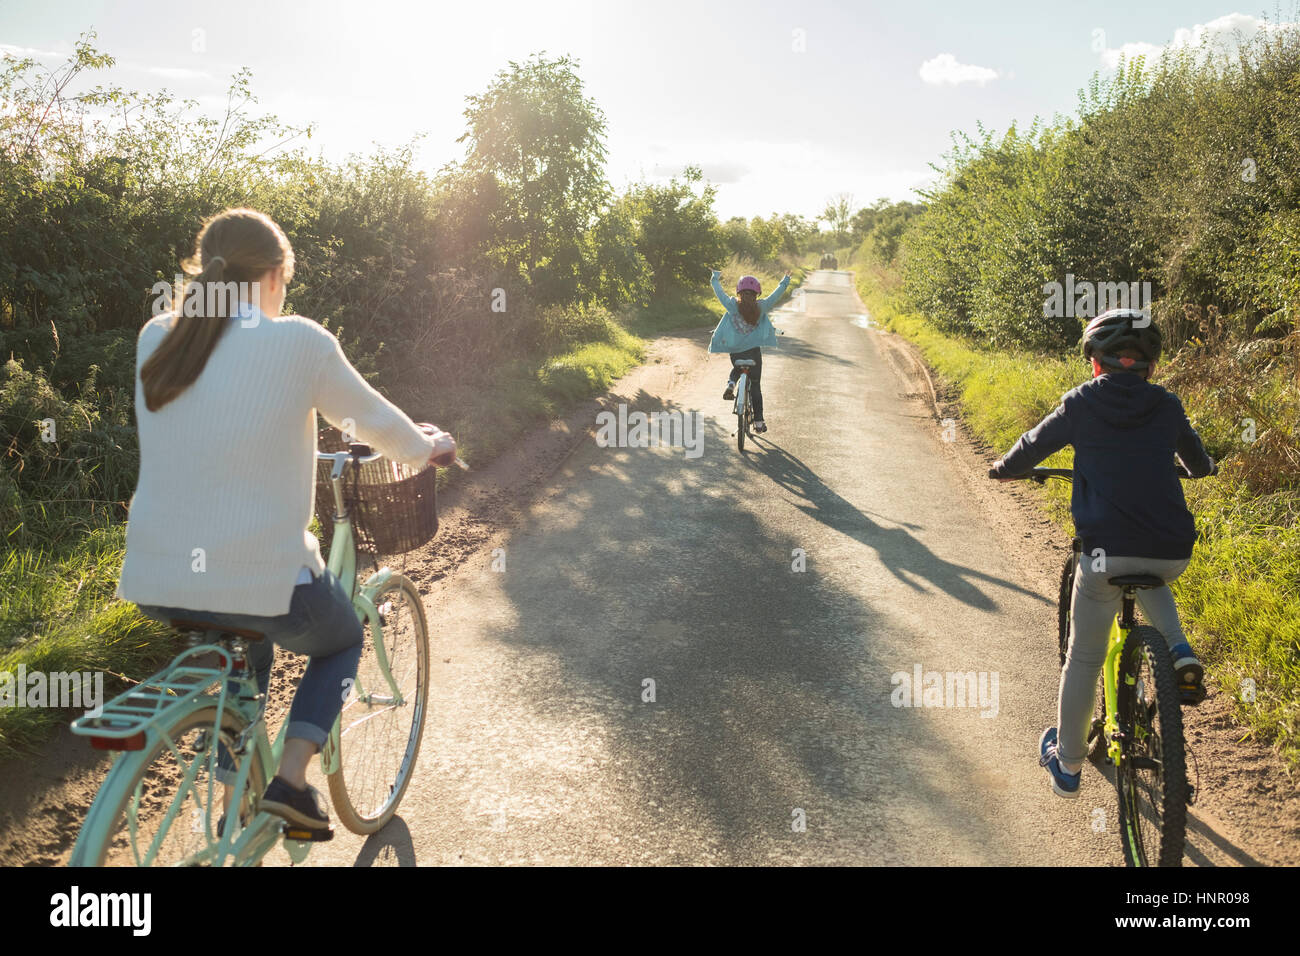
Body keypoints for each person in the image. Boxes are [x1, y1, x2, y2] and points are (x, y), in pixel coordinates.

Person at [116, 208, 455, 830]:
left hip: (154, 578)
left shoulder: (156, 336)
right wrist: (427, 445)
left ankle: (232, 804)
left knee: (248, 651)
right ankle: (292, 783)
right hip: (264, 580)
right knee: (343, 638)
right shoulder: (299, 342)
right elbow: (371, 424)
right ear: (274, 276)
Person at [987, 308, 1215, 798]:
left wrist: (1003, 469)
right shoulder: (1168, 405)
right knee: (1152, 574)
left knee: (1084, 656)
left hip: (1105, 554)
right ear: (1150, 365)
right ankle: (1178, 651)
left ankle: (1067, 766)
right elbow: (1197, 463)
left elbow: (1031, 447)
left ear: (1095, 362)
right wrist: (1196, 467)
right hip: (1171, 550)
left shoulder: (1081, 403)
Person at [708, 269, 791, 433]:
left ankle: (731, 384)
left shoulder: (732, 305)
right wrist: (785, 280)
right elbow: (776, 295)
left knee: (737, 368)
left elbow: (719, 293)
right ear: (757, 293)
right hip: (753, 353)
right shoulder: (762, 306)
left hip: (736, 352)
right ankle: (759, 422)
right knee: (755, 385)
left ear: (739, 292)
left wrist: (715, 277)